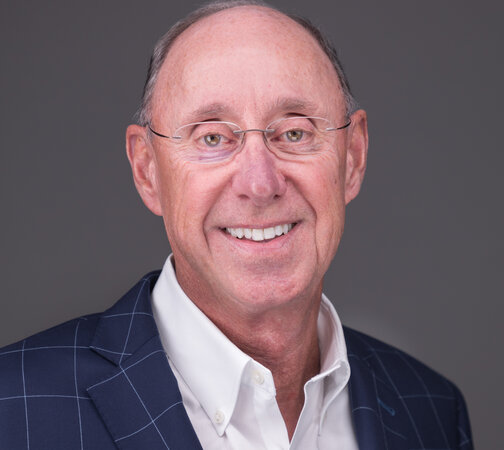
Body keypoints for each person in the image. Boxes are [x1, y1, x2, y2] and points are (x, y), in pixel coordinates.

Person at [0, 1, 473, 449]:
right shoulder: (13, 406)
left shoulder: (430, 410)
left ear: (353, 157)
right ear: (147, 171)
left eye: (294, 132)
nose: (260, 184)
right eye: (212, 138)